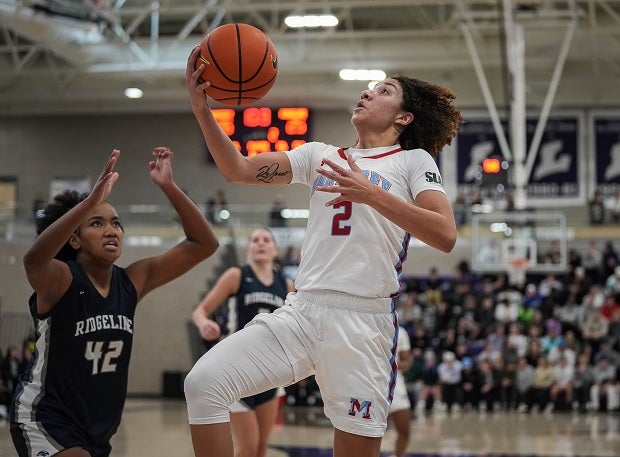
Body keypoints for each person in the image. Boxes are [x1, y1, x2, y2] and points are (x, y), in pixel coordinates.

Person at [185, 45, 463, 457]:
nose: (368, 93)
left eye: (384, 91)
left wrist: (372, 195)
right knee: (203, 383)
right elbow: (239, 169)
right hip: (303, 310)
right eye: (369, 89)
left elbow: (445, 234)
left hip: (363, 323)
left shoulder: (412, 161)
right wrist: (201, 108)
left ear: (404, 117)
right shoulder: (319, 156)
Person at [10, 148, 219, 457]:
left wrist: (169, 187)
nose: (111, 230)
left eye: (116, 223)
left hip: (99, 426)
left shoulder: (133, 280)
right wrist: (87, 203)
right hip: (45, 415)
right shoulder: (61, 278)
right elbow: (33, 260)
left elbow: (204, 244)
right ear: (74, 238)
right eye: (96, 223)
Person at [191, 227, 294, 457]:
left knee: (260, 448)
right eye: (255, 240)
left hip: (270, 370)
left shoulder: (286, 283)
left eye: (266, 240)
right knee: (248, 446)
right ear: (248, 248)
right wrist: (203, 324)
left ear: (275, 250)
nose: (260, 243)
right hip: (237, 368)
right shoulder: (236, 275)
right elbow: (200, 311)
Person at [387, 326, 412, 457]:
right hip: (369, 383)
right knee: (366, 431)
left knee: (405, 430)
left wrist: (389, 364)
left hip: (395, 383)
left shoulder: (401, 331)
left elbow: (406, 362)